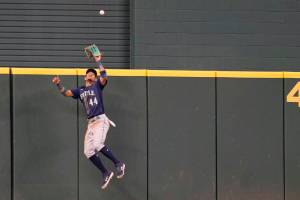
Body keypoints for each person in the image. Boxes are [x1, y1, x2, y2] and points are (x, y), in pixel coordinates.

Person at [51, 49, 125, 190]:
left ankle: (118, 163)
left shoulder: (98, 85)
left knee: (98, 144)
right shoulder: (81, 91)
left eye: (93, 75)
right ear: (85, 77)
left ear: (95, 78)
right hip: (91, 124)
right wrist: (58, 84)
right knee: (88, 151)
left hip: (101, 120)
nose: (91, 75)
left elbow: (104, 76)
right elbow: (66, 93)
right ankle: (105, 172)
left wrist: (98, 61)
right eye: (89, 74)